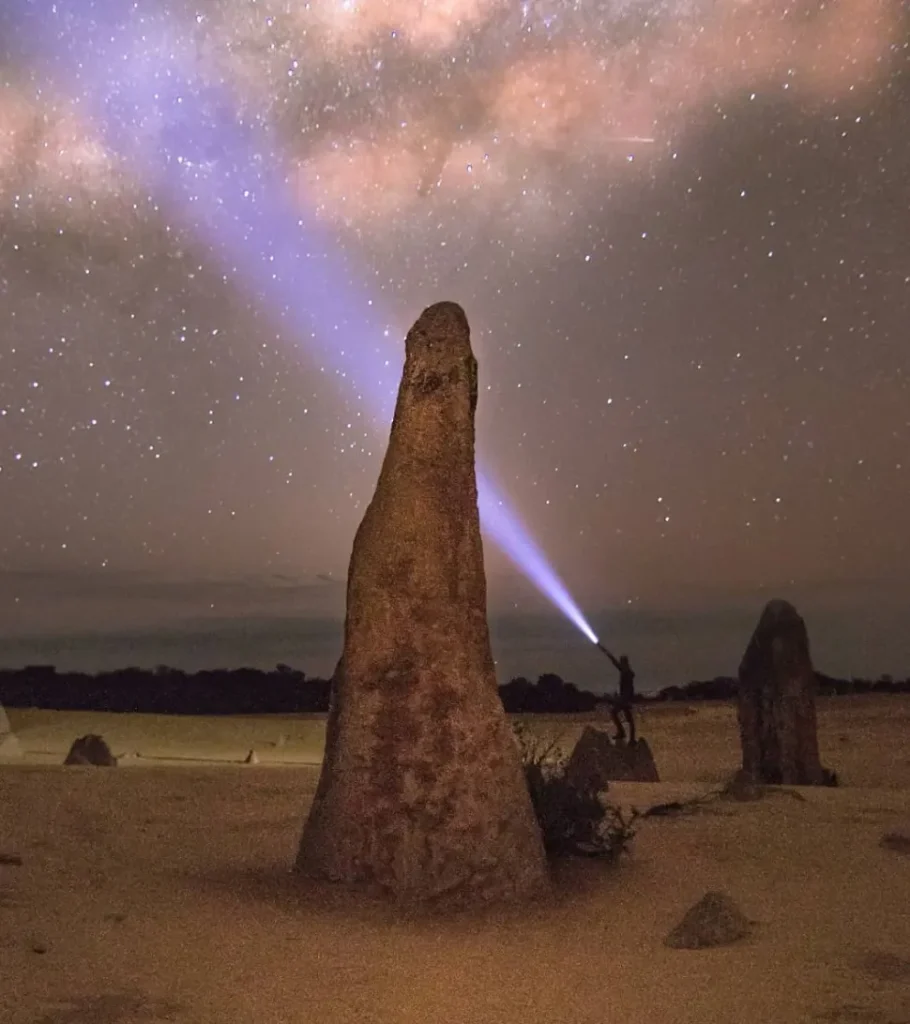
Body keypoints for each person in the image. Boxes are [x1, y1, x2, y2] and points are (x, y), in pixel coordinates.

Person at [598, 645, 637, 744]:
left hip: (625, 698)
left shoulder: (626, 672)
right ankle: (626, 735)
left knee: (623, 716)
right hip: (625, 698)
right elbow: (614, 662)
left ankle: (628, 737)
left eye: (622, 661)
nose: (620, 663)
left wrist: (625, 699)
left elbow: (614, 662)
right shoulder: (626, 671)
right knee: (625, 717)